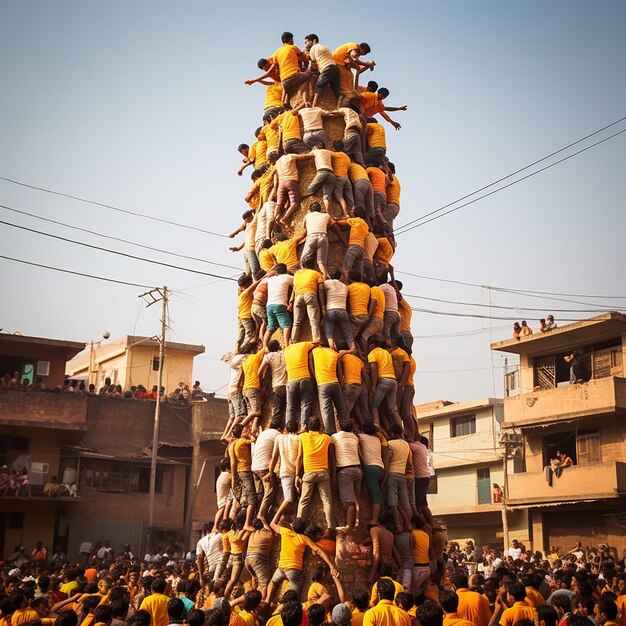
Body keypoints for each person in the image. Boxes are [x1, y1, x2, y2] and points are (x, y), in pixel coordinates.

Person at [267, 517, 338, 601]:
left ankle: (267, 600)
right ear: (304, 529)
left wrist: (280, 512)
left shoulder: (285, 532)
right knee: (294, 595)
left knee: (272, 583)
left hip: (281, 567)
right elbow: (319, 551)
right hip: (293, 569)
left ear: (293, 527)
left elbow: (272, 524)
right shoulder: (304, 538)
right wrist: (331, 566)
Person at [296, 416, 335, 528]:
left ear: (308, 427)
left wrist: (297, 474)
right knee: (327, 501)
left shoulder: (302, 437)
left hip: (308, 473)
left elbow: (299, 457)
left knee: (304, 501)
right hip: (323, 473)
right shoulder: (326, 438)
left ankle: (300, 525)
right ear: (320, 427)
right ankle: (331, 527)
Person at [331, 418, 362, 532]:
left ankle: (349, 525)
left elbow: (332, 453)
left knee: (348, 501)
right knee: (355, 500)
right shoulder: (354, 437)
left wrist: (333, 474)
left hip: (345, 470)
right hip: (358, 470)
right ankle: (356, 523)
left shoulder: (334, 437)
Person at [367, 334, 403, 432]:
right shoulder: (386, 353)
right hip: (393, 381)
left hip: (383, 380)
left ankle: (376, 426)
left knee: (374, 404)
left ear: (373, 345)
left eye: (369, 345)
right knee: (392, 409)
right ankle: (402, 431)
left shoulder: (372, 353)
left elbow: (374, 370)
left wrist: (373, 387)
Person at [267, 418, 300, 525]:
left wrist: (270, 472)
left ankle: (290, 520)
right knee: (290, 499)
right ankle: (275, 519)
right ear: (297, 429)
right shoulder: (299, 438)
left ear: (286, 428)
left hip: (284, 472)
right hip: (296, 472)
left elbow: (274, 457)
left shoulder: (279, 438)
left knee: (293, 499)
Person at [311, 343, 349, 435]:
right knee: (342, 409)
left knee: (327, 411)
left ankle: (330, 434)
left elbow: (309, 361)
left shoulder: (314, 351)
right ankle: (347, 431)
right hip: (335, 383)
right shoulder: (333, 352)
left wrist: (314, 377)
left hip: (322, 384)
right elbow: (339, 370)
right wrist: (341, 383)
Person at [251, 417, 281, 522]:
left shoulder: (263, 433)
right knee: (270, 491)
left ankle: (255, 517)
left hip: (254, 466)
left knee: (260, 493)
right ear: (279, 428)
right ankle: (261, 516)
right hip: (263, 467)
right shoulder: (277, 434)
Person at [358, 422, 388, 525]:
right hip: (380, 468)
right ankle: (382, 517)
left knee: (376, 496)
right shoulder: (377, 440)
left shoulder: (361, 437)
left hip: (370, 468)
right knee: (377, 493)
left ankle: (374, 520)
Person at [284, 339, 317, 429]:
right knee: (305, 405)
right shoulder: (303, 344)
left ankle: (289, 429)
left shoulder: (286, 350)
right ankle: (303, 427)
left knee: (290, 407)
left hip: (292, 380)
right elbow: (317, 341)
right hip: (305, 379)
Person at [229, 423, 257, 529]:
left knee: (244, 499)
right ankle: (248, 524)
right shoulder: (243, 442)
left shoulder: (232, 445)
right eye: (245, 430)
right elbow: (253, 440)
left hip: (239, 471)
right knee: (252, 497)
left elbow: (233, 463)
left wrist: (234, 479)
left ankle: (241, 523)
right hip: (246, 471)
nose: (247, 430)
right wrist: (250, 434)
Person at [321, 271, 357, 352]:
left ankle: (332, 346)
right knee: (348, 333)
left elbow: (321, 288)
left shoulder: (327, 282)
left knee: (329, 330)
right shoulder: (344, 286)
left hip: (331, 310)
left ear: (330, 275)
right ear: (340, 277)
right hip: (343, 311)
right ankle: (352, 348)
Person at [385, 424, 411, 532]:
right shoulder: (406, 444)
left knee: (392, 502)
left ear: (391, 434)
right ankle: (408, 523)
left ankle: (398, 524)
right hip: (402, 474)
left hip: (392, 473)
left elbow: (388, 458)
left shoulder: (390, 444)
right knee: (404, 501)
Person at [291, 259, 324, 343]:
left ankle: (293, 341)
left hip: (298, 296)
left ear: (302, 265)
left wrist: (291, 302)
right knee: (313, 321)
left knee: (296, 322)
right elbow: (320, 290)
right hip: (310, 295)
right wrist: (322, 305)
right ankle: (316, 339)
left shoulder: (297, 274)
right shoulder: (316, 274)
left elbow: (294, 289)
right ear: (313, 266)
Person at [303, 34, 340, 107]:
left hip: (327, 68)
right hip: (335, 68)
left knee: (318, 86)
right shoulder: (324, 47)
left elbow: (313, 63)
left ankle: (314, 106)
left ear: (314, 40)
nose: (306, 44)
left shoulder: (314, 47)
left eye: (307, 42)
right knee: (337, 91)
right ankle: (339, 107)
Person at [263, 264, 294, 347]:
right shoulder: (287, 277)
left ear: (276, 272)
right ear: (286, 270)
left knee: (270, 328)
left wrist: (272, 269)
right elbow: (297, 283)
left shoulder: (270, 279)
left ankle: (264, 347)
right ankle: (287, 344)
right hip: (280, 304)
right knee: (287, 325)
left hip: (269, 306)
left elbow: (266, 275)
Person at [245, 519, 275, 602]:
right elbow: (271, 533)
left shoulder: (252, 534)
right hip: (258, 559)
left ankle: (251, 600)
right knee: (264, 585)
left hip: (248, 560)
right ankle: (260, 604)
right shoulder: (266, 533)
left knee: (259, 583)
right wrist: (264, 521)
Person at [259, 340, 287, 426]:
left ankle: (275, 429)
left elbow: (259, 371)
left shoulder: (268, 356)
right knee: (287, 410)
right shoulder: (284, 353)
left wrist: (262, 380)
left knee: (276, 411)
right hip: (287, 386)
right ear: (278, 347)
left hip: (277, 386)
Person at [337, 208, 370, 280]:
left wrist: (343, 218)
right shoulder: (366, 225)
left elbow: (340, 222)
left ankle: (343, 282)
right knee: (358, 274)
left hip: (354, 246)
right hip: (362, 250)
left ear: (355, 214)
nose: (351, 211)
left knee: (346, 268)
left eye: (352, 211)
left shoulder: (356, 220)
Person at [306, 142, 337, 214]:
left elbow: (305, 156)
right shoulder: (328, 152)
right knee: (327, 196)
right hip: (331, 174)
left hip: (322, 172)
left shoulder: (315, 151)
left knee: (310, 189)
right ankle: (328, 213)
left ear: (315, 147)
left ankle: (314, 202)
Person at [229, 210, 260, 279]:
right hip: (249, 250)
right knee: (254, 270)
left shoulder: (253, 223)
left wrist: (234, 234)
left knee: (251, 271)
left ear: (250, 217)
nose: (245, 222)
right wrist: (238, 248)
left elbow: (242, 227)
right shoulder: (250, 225)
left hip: (248, 250)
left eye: (246, 220)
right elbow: (243, 227)